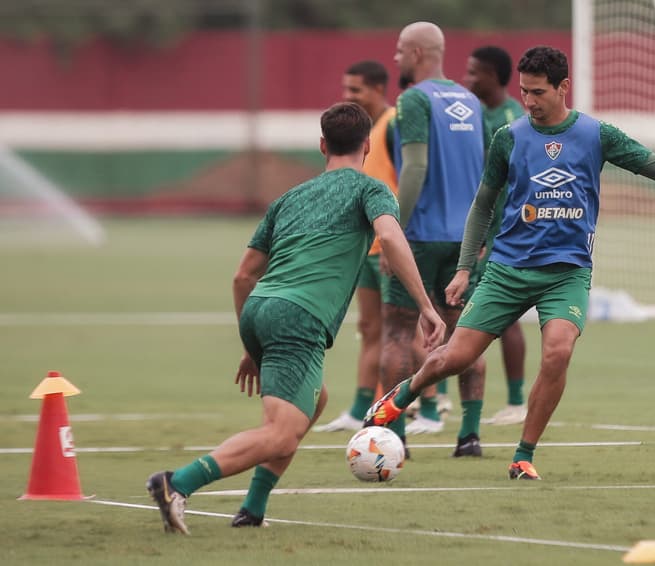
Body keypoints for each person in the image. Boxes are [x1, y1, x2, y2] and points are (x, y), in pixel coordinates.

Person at [365, 45, 655, 480]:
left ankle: (523, 455)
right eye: (524, 92)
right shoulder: (508, 137)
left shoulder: (596, 134)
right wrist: (462, 269)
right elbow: (482, 206)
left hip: (566, 274)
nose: (528, 101)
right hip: (507, 271)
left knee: (558, 351)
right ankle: (403, 394)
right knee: (452, 358)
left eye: (538, 92)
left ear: (563, 87)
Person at [146, 102, 445, 534]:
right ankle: (177, 483)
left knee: (315, 401)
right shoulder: (372, 189)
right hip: (298, 318)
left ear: (322, 145)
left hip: (259, 308)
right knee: (282, 432)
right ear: (366, 146)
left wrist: (253, 346)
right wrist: (425, 306)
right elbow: (389, 236)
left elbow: (243, 275)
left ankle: (252, 509)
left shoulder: (288, 198)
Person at [381, 21, 487, 456]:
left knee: (398, 331)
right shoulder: (471, 101)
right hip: (465, 240)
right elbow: (485, 173)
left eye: (401, 50)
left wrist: (394, 230)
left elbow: (416, 168)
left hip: (421, 236)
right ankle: (470, 436)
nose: (396, 58)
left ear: (418, 53)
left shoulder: (413, 100)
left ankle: (394, 437)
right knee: (467, 336)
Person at [315, 61, 399, 432]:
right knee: (369, 327)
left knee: (404, 331)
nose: (349, 96)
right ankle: (361, 408)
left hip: (393, 242)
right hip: (365, 245)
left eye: (356, 90)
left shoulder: (396, 125)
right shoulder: (356, 132)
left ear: (379, 89)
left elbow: (413, 180)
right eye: (346, 89)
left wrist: (401, 237)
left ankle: (424, 405)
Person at [463, 45, 529, 426]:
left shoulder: (509, 120)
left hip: (503, 229)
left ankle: (517, 401)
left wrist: (491, 234)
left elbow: (506, 185)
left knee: (504, 316)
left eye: (475, 73)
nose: (468, 79)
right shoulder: (474, 114)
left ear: (494, 76)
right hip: (479, 226)